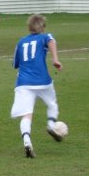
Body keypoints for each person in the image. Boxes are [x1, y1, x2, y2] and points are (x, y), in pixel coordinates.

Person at [10, 14, 63, 158]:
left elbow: (15, 64)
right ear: (43, 27)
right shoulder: (45, 36)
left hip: (23, 83)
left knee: (27, 114)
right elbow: (51, 41)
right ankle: (52, 126)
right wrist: (55, 60)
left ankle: (27, 141)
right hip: (43, 81)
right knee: (52, 104)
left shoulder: (20, 42)